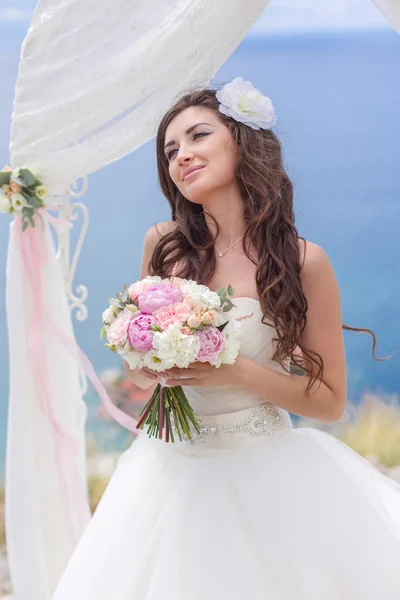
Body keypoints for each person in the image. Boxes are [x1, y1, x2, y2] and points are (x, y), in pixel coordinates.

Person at [52, 77, 400, 599]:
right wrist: (153, 363)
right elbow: (137, 370)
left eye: (197, 137)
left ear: (241, 140)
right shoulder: (163, 246)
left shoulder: (304, 263)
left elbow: (329, 404)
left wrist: (234, 369)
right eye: (170, 150)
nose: (181, 156)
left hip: (269, 476)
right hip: (168, 471)